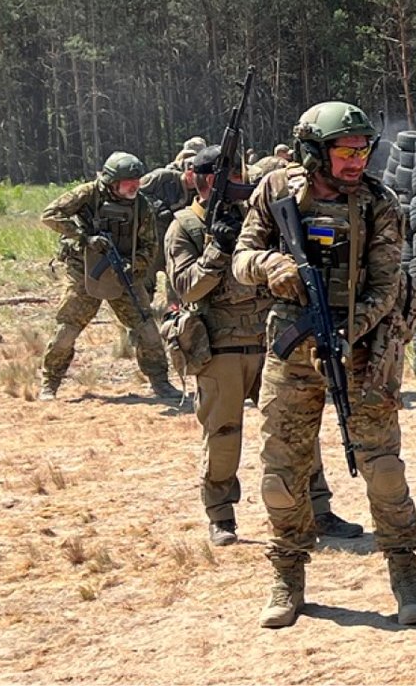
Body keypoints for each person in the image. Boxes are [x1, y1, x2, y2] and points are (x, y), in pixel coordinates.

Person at [232, 101, 416, 628]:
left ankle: (405, 574)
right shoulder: (275, 194)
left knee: (383, 471)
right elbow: (240, 258)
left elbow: (388, 286)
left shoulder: (379, 204)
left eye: (363, 150)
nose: (356, 161)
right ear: (315, 153)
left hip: (358, 357)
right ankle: (287, 576)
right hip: (291, 359)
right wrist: (272, 264)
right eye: (345, 151)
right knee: (282, 473)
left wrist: (350, 332)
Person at [165, 145, 364, 547]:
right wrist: (217, 251)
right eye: (229, 179)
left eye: (241, 178)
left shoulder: (255, 219)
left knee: (297, 428)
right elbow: (186, 289)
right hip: (221, 347)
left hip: (273, 342)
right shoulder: (184, 227)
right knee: (223, 436)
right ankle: (221, 516)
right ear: (203, 181)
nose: (238, 186)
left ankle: (319, 509)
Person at [38, 152, 180, 402]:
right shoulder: (87, 194)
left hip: (123, 274)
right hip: (84, 273)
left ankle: (160, 382)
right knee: (67, 331)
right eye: (129, 181)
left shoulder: (142, 206)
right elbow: (50, 215)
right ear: (112, 182)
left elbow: (150, 247)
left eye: (137, 180)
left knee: (147, 330)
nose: (135, 185)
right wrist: (84, 238)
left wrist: (131, 265)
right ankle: (50, 382)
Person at [138, 137, 207, 309]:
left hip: (176, 244)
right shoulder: (162, 178)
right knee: (143, 285)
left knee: (177, 286)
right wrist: (157, 207)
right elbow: (134, 195)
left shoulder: (200, 191)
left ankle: (175, 318)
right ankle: (141, 320)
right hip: (152, 242)